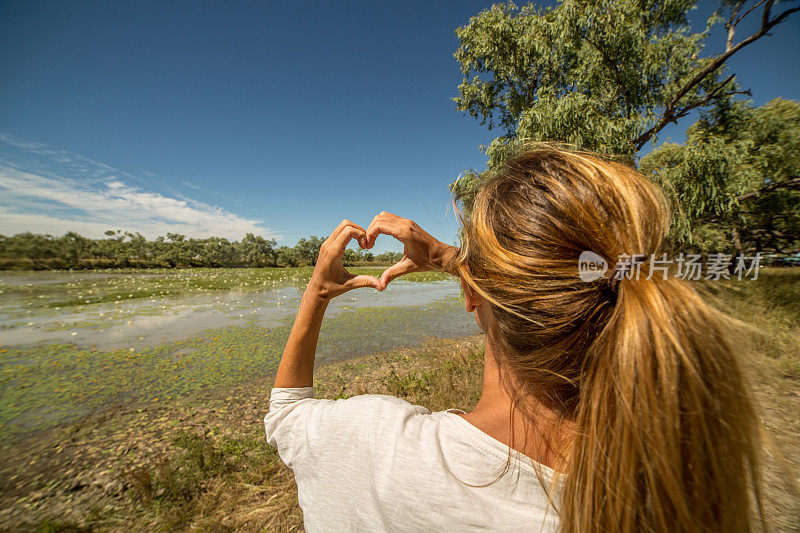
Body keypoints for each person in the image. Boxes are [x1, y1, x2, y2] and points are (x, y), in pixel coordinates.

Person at [264, 145, 763, 532]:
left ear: (471, 295)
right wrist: (458, 262)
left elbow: (286, 415)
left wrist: (318, 292)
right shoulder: (672, 483)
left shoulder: (376, 445)